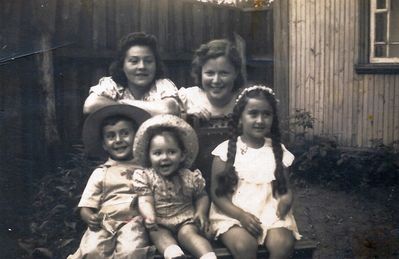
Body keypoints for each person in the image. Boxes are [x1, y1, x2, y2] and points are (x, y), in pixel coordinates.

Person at [209, 85, 302, 259]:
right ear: (240, 118)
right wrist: (241, 216)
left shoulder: (277, 151)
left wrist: (286, 199)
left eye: (266, 114)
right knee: (245, 246)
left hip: (270, 212)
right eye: (253, 113)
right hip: (233, 215)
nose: (260, 120)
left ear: (273, 119)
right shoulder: (224, 152)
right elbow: (217, 195)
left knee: (282, 245)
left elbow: (285, 189)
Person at [68, 104, 155, 259]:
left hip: (134, 221)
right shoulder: (101, 172)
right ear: (104, 145)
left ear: (137, 137)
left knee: (131, 251)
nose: (118, 140)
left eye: (125, 133)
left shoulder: (146, 169)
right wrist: (90, 217)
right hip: (104, 222)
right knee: (93, 250)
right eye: (110, 136)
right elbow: (85, 207)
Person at [132, 115, 217, 259]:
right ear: (149, 156)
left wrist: (201, 212)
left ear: (182, 155)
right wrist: (149, 215)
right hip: (159, 220)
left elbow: (201, 195)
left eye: (171, 152)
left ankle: (207, 256)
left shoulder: (189, 176)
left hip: (185, 218)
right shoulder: (146, 176)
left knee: (188, 234)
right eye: (157, 153)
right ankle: (174, 254)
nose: (164, 157)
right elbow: (145, 199)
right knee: (157, 233)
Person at [83, 32, 180, 116]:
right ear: (122, 65)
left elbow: (169, 109)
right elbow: (90, 106)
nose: (142, 66)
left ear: (156, 64)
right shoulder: (111, 84)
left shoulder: (162, 85)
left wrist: (123, 104)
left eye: (148, 61)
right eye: (134, 61)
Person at [178, 39, 245, 120]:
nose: (216, 80)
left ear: (236, 73)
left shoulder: (245, 101)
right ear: (200, 73)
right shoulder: (187, 99)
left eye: (223, 73)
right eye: (210, 73)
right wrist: (185, 116)